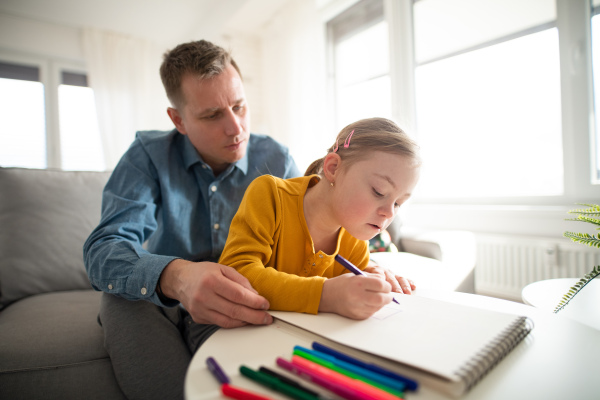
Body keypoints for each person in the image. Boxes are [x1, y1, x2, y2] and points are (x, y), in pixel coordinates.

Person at [83, 40, 300, 400]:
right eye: (213, 115)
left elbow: (311, 238)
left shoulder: (277, 159)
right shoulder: (147, 156)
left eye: (239, 106)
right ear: (178, 120)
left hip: (244, 299)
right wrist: (178, 277)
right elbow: (104, 250)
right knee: (120, 297)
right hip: (163, 302)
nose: (236, 128)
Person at [218, 117, 420, 320]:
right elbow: (236, 273)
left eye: (398, 203)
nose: (390, 213)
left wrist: (371, 278)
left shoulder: (355, 236)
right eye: (379, 191)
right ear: (333, 168)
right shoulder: (270, 195)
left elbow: (348, 284)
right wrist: (326, 295)